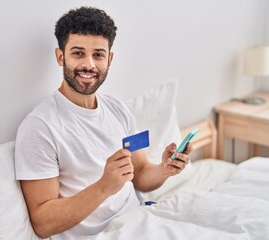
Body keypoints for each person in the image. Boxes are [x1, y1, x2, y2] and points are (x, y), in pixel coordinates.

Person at [15, 6, 192, 240]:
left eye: (98, 55)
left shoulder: (117, 109)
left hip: (138, 221)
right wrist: (104, 187)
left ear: (109, 59)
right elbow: (43, 222)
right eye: (78, 53)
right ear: (60, 56)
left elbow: (139, 174)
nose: (89, 64)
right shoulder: (40, 127)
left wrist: (163, 170)